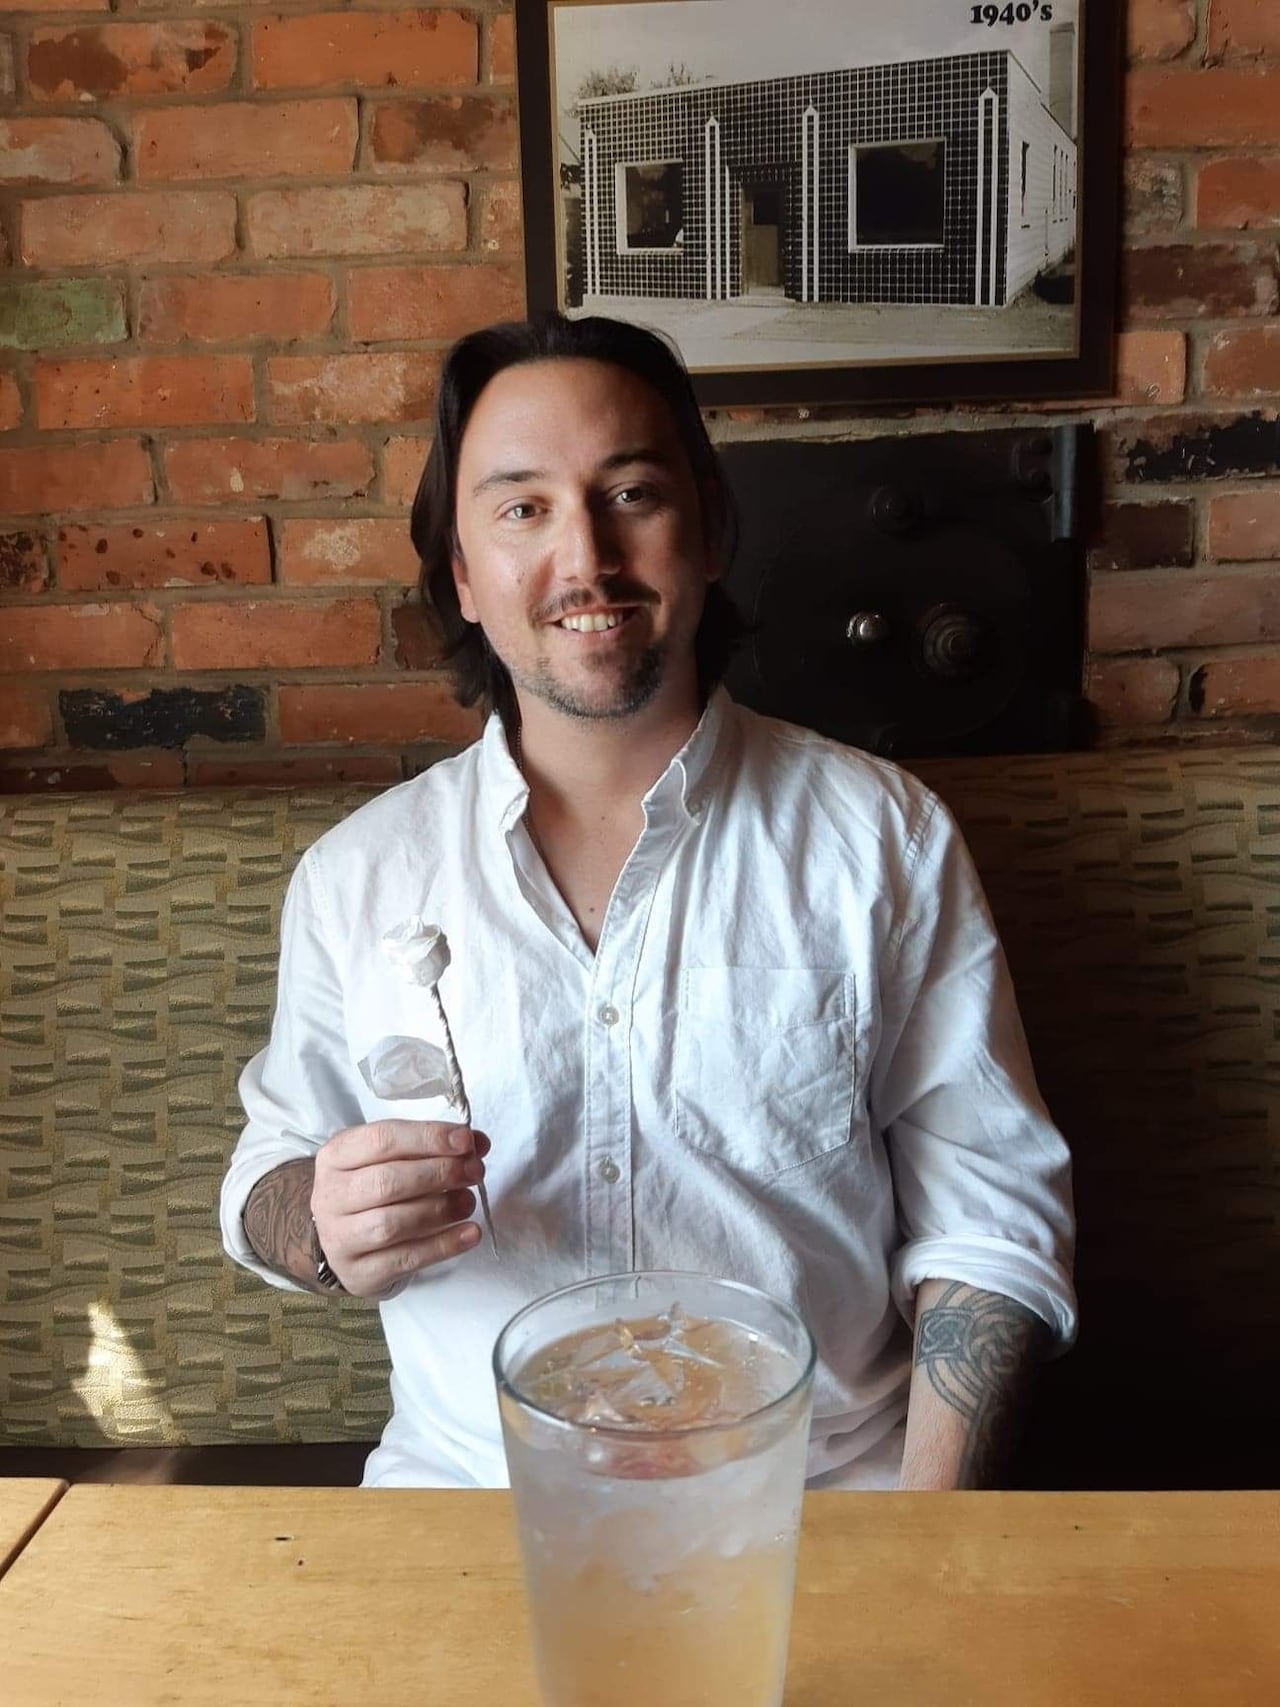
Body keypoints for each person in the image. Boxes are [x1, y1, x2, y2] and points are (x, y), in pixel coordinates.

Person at [220, 312, 1075, 1491]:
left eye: (629, 494)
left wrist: (923, 1557)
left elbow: (990, 1222)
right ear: (463, 575)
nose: (585, 559)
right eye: (521, 508)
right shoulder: (355, 878)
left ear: (710, 528)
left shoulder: (882, 838)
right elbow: (270, 1172)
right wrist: (319, 1228)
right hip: (470, 1506)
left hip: (814, 1506)